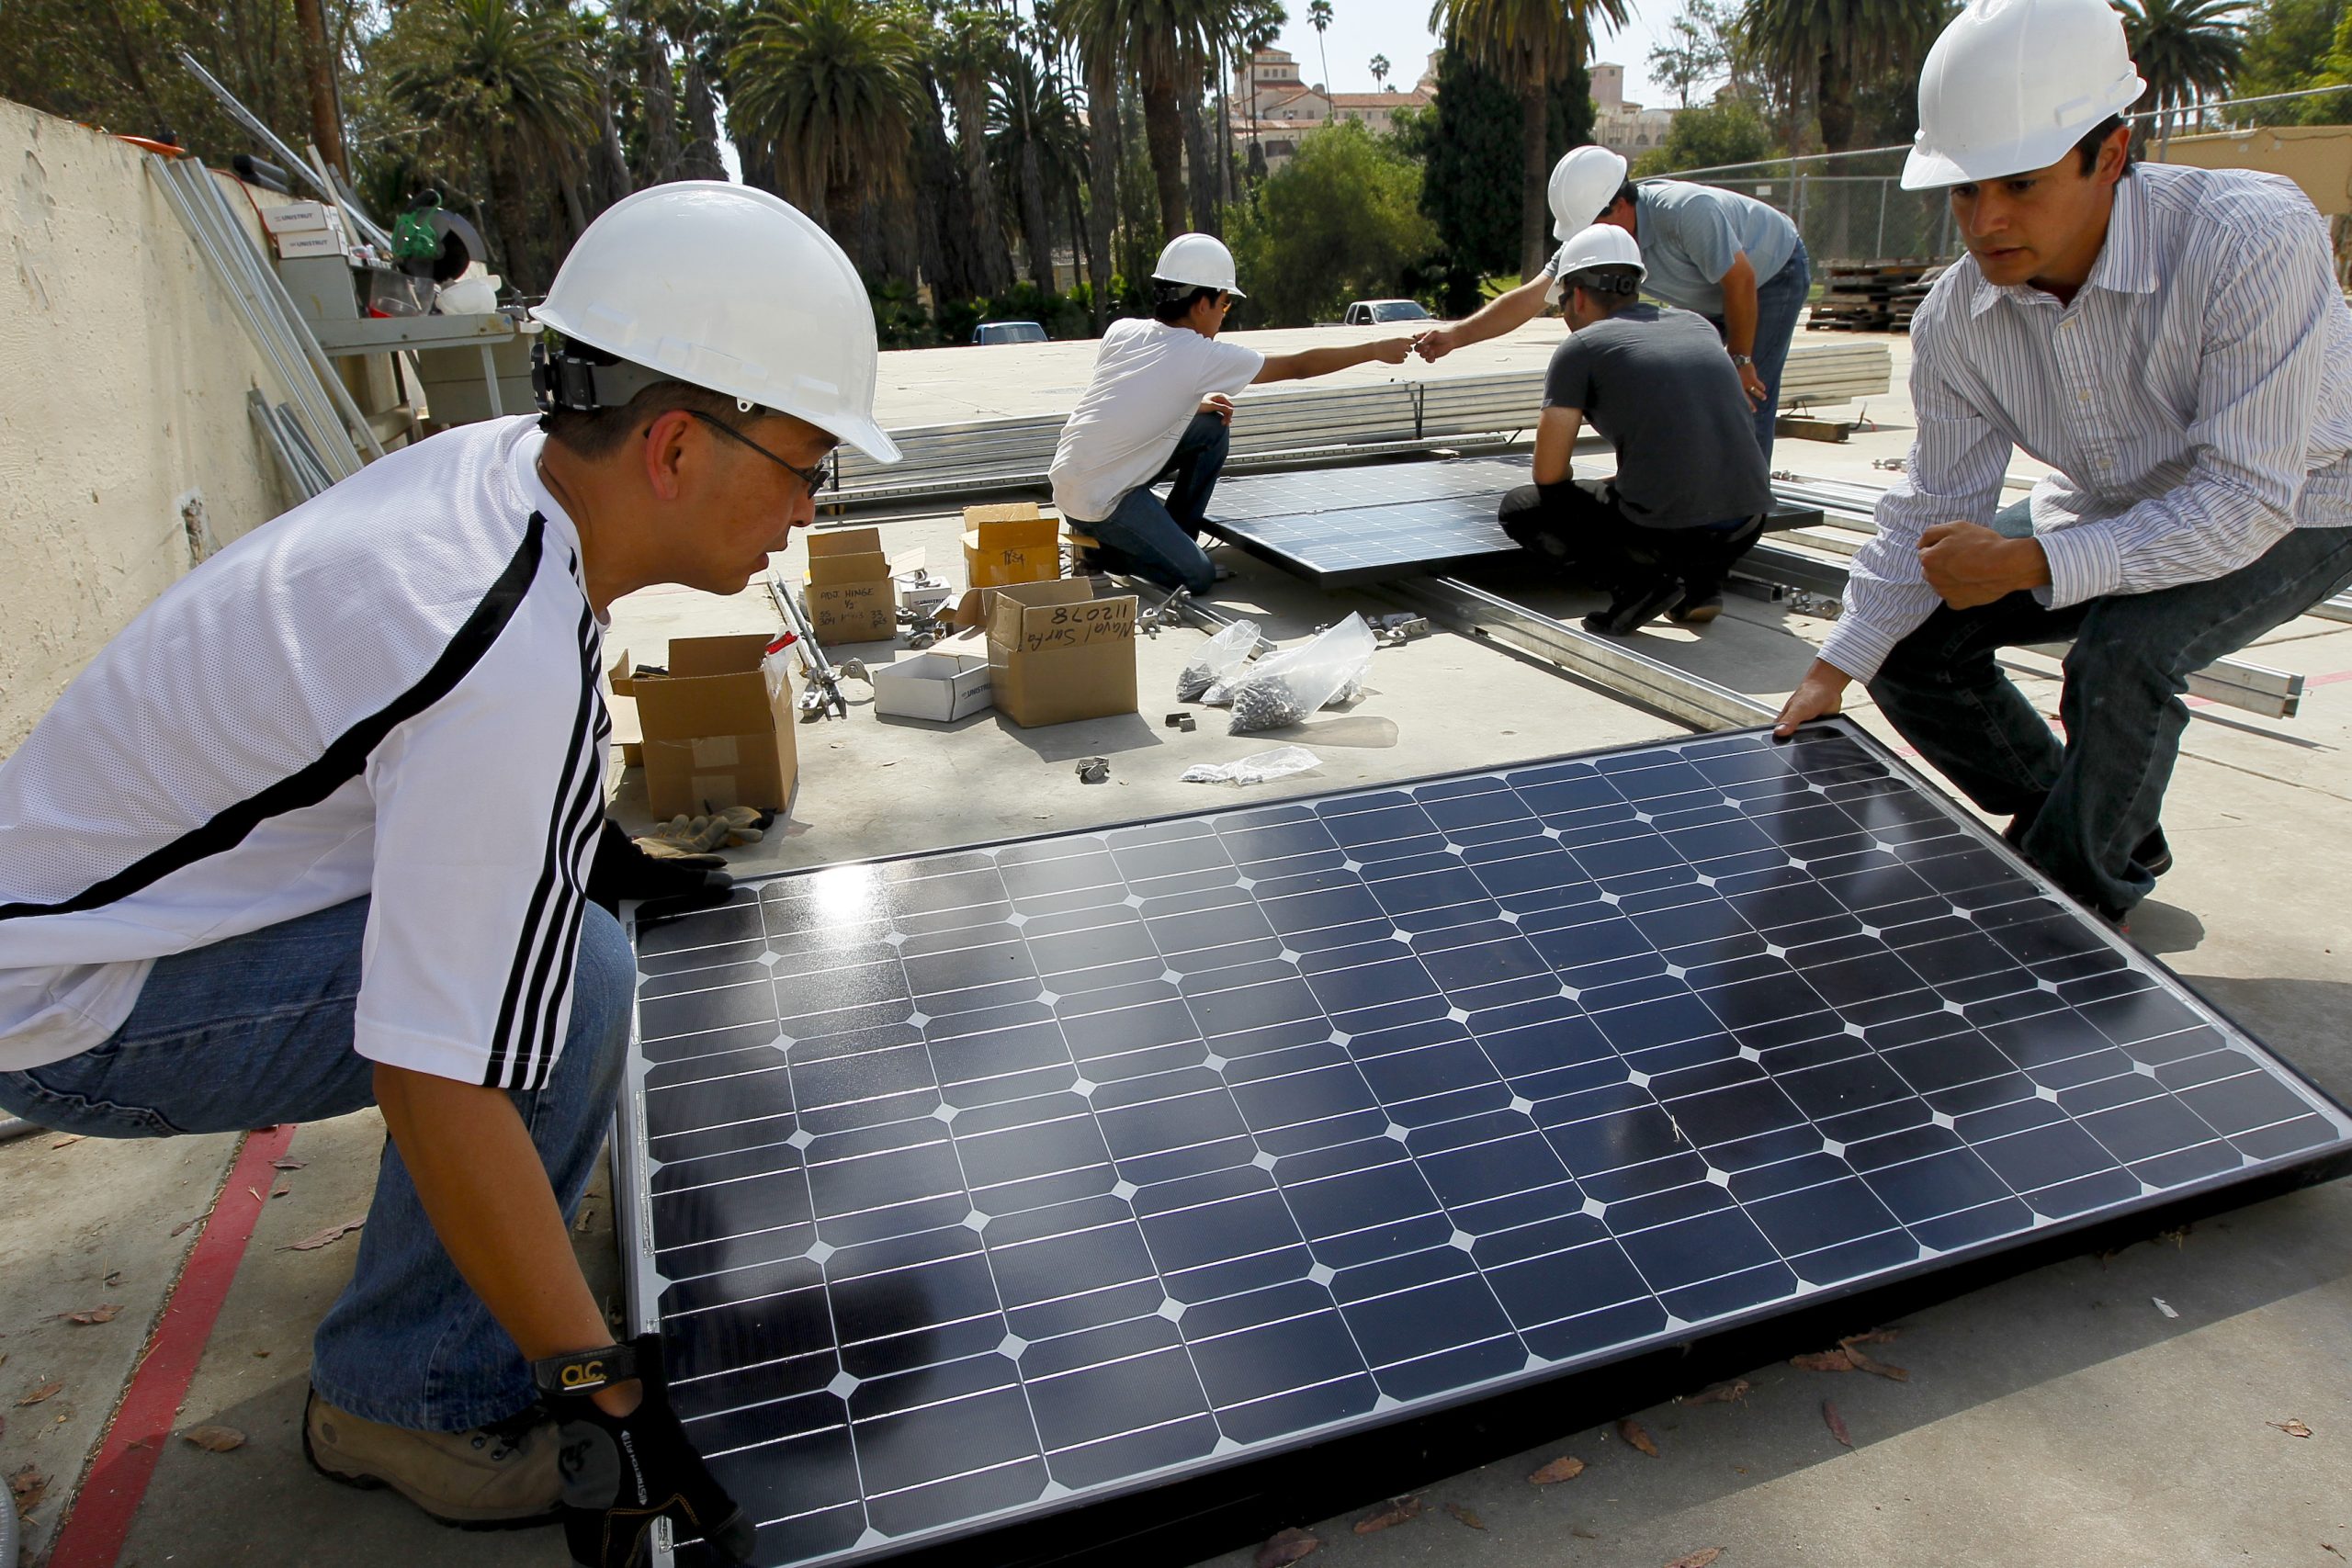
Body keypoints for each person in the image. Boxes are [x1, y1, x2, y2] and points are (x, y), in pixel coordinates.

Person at [0, 181, 902, 1564]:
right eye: (805, 460)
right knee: (568, 988)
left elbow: (466, 762)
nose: (807, 504)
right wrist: (600, 1386)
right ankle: (406, 1402)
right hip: (67, 996)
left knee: (558, 933)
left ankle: (456, 1293)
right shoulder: (496, 640)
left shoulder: (506, 479)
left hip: (96, 905)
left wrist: (594, 849)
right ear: (673, 445)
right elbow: (439, 1074)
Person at [1770, 0, 2352, 923]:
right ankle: (2082, 821)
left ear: (2109, 156)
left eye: (2020, 184)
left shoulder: (2246, 239)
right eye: (1965, 191)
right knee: (1910, 641)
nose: (1987, 221)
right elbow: (1931, 504)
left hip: (2309, 489)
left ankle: (2066, 910)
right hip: (2118, 494)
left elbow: (2243, 497)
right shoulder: (1958, 320)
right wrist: (1835, 664)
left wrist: (2034, 561)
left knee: (2122, 657)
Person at [1050, 232, 1418, 592]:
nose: (1224, 315)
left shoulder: (1122, 330)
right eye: (1225, 304)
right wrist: (1373, 349)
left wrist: (1193, 404)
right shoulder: (1200, 355)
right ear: (1201, 304)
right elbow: (1299, 366)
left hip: (1069, 481)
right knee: (1198, 576)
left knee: (1210, 427)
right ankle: (1102, 553)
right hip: (1104, 500)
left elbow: (1125, 397)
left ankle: (1173, 538)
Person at [1417, 145, 1811, 463]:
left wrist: (1741, 360)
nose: (1586, 240)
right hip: (1712, 292)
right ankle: (1694, 493)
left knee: (1746, 396)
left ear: (1620, 204)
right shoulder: (1597, 238)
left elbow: (1740, 281)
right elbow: (1532, 296)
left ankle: (1747, 510)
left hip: (1772, 275)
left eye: (1591, 228)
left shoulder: (1686, 212)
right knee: (1691, 389)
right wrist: (1457, 335)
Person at [1496, 224, 1773, 634]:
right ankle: (1703, 588)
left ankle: (1638, 586)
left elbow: (1548, 473)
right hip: (1747, 524)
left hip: (1673, 534)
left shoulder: (1582, 347)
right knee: (1663, 490)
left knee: (1524, 507)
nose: (1565, 316)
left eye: (1562, 304)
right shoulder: (1697, 326)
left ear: (1578, 295)